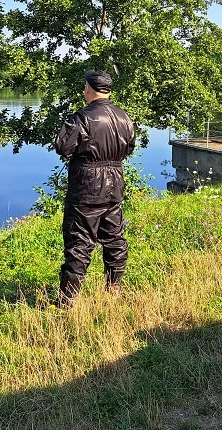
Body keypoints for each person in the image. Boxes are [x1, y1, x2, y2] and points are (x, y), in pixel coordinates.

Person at [54, 70, 136, 308]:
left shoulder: (81, 117)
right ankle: (113, 288)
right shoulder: (124, 117)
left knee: (79, 239)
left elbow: (62, 147)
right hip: (115, 183)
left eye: (84, 86)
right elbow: (129, 147)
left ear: (88, 88)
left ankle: (67, 300)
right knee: (114, 237)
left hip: (87, 186)